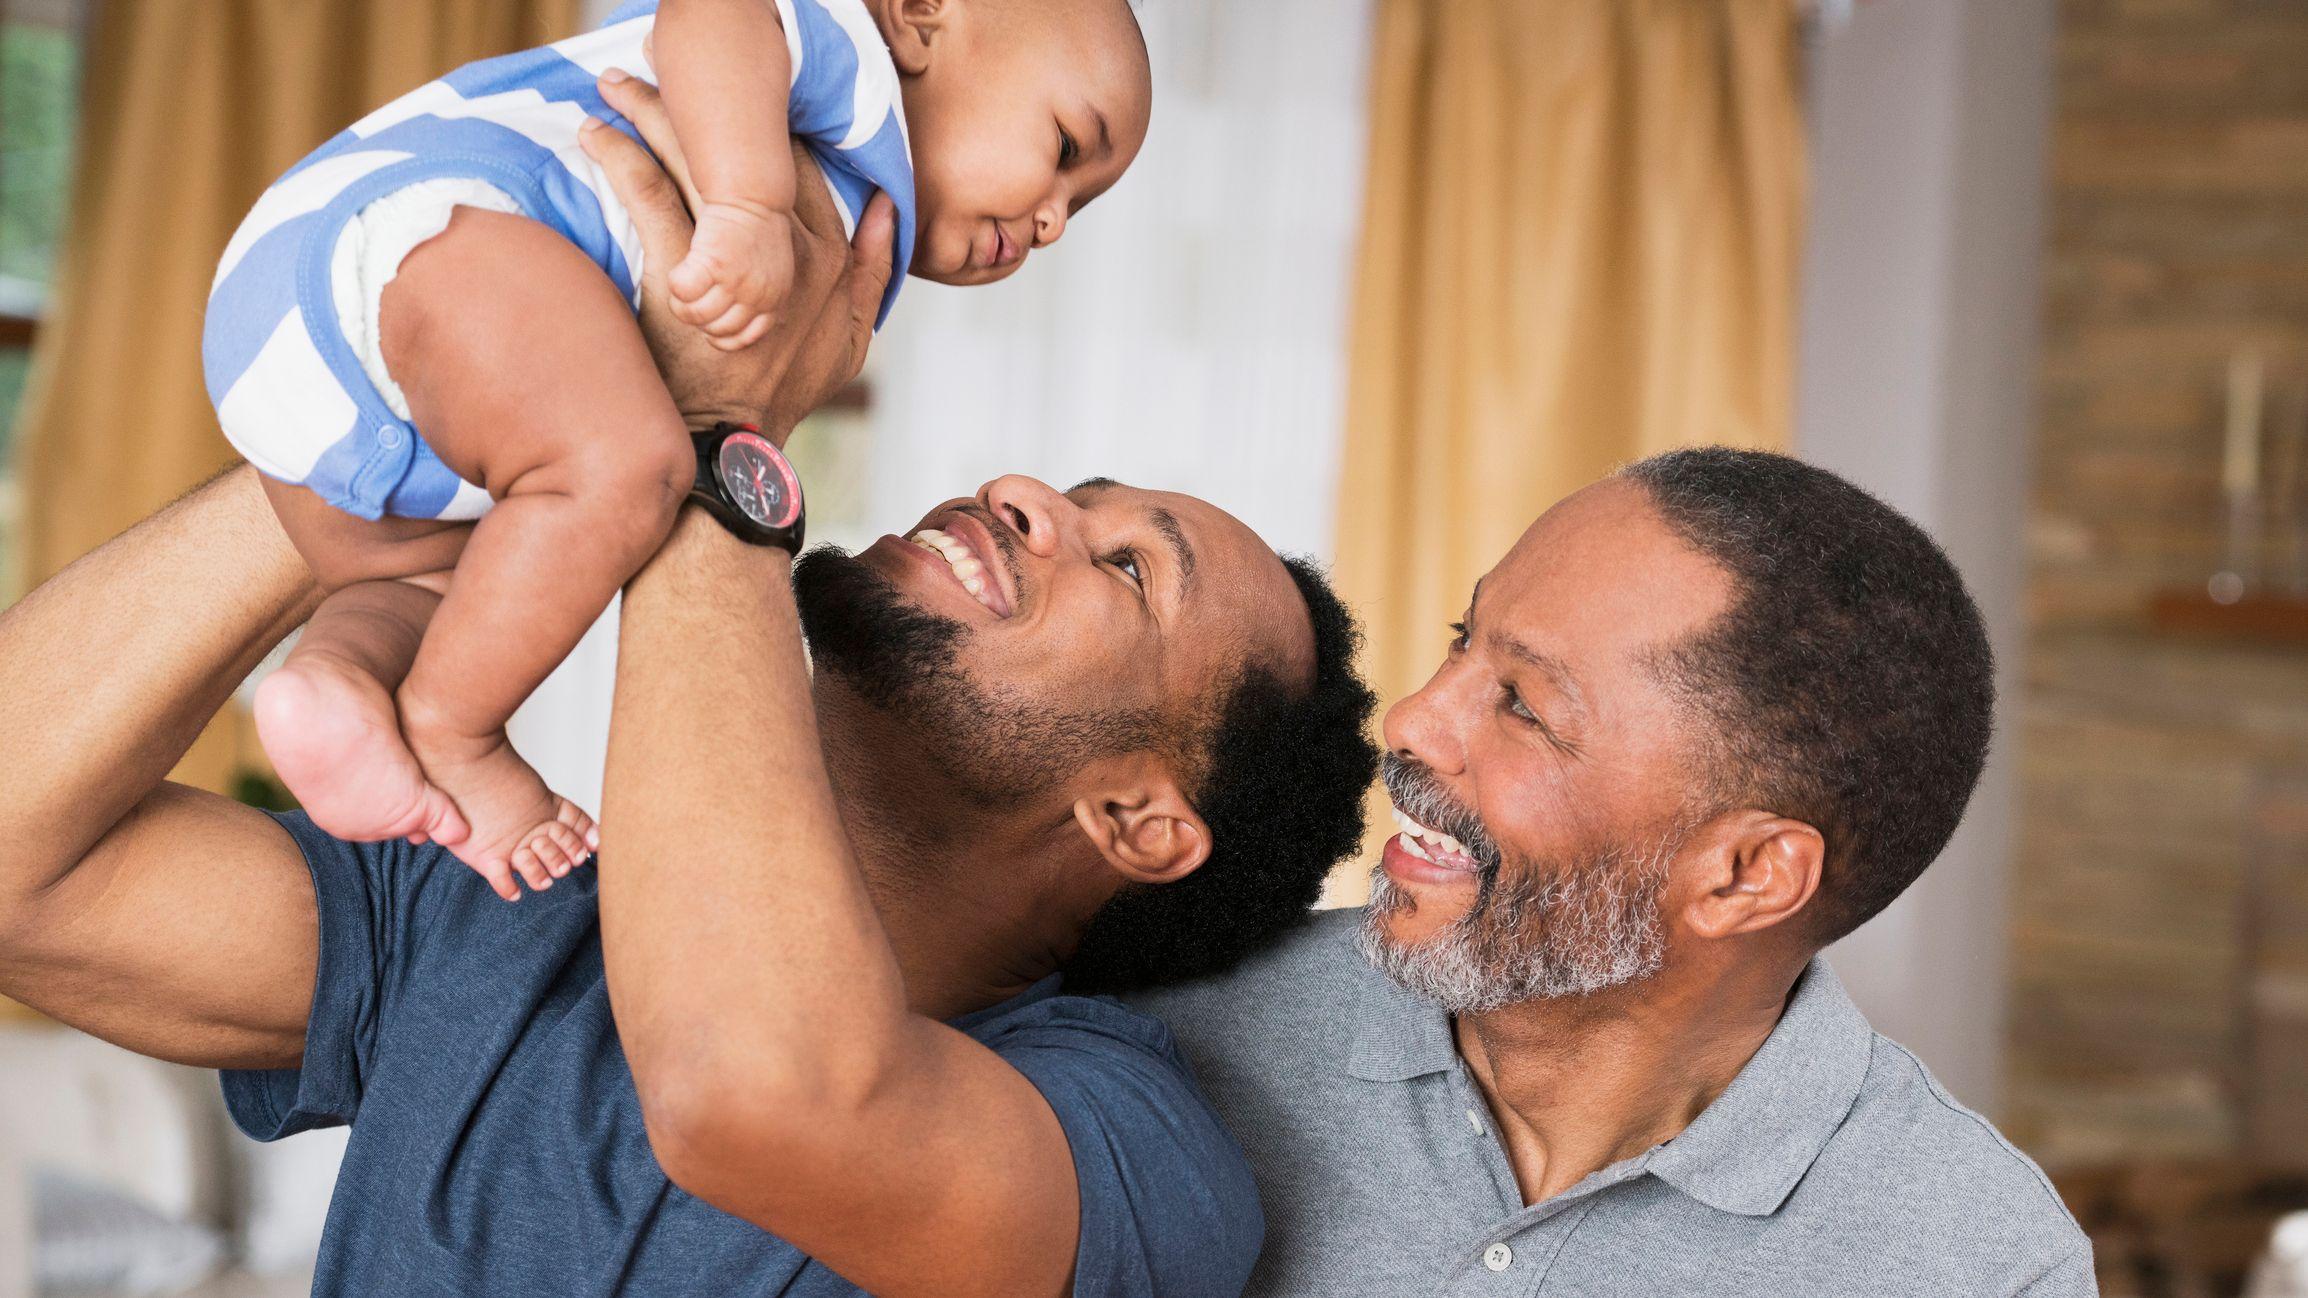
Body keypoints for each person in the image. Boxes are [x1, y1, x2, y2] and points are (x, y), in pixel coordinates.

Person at [0, 83, 1377, 1298]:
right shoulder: (494, 915)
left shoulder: (1131, 1150)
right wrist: (405, 417)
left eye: (1132, 570)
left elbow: (752, 1092)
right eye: (1075, 495)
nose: (1026, 497)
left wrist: (718, 442)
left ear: (1140, 820)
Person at [200, 0, 1154, 893]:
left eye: (1085, 204)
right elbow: (710, 15)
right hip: (429, 225)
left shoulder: (857, 177)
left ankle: (336, 684)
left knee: (437, 581)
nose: (1053, 220)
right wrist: (746, 207)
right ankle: (457, 733)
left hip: (349, 370)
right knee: (629, 473)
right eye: (1067, 146)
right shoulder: (843, 48)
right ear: (919, 12)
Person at [1132, 448, 2099, 1296]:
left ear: (1745, 876)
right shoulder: (1168, 1033)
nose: (1413, 721)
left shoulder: (1981, 1266)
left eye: (1524, 707)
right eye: (1462, 641)